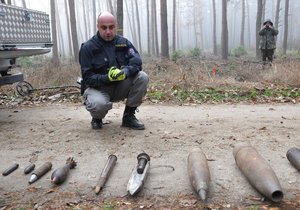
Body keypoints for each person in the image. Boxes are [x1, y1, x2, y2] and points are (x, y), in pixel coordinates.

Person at [79, 12, 149, 130]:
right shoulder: (87, 48)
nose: (108, 31)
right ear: (98, 27)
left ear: (116, 26)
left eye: (111, 27)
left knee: (142, 77)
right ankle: (97, 117)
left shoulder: (124, 43)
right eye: (104, 27)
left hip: (119, 87)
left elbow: (137, 62)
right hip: (98, 89)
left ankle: (129, 117)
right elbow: (87, 78)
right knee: (98, 106)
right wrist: (107, 77)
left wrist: (125, 72)